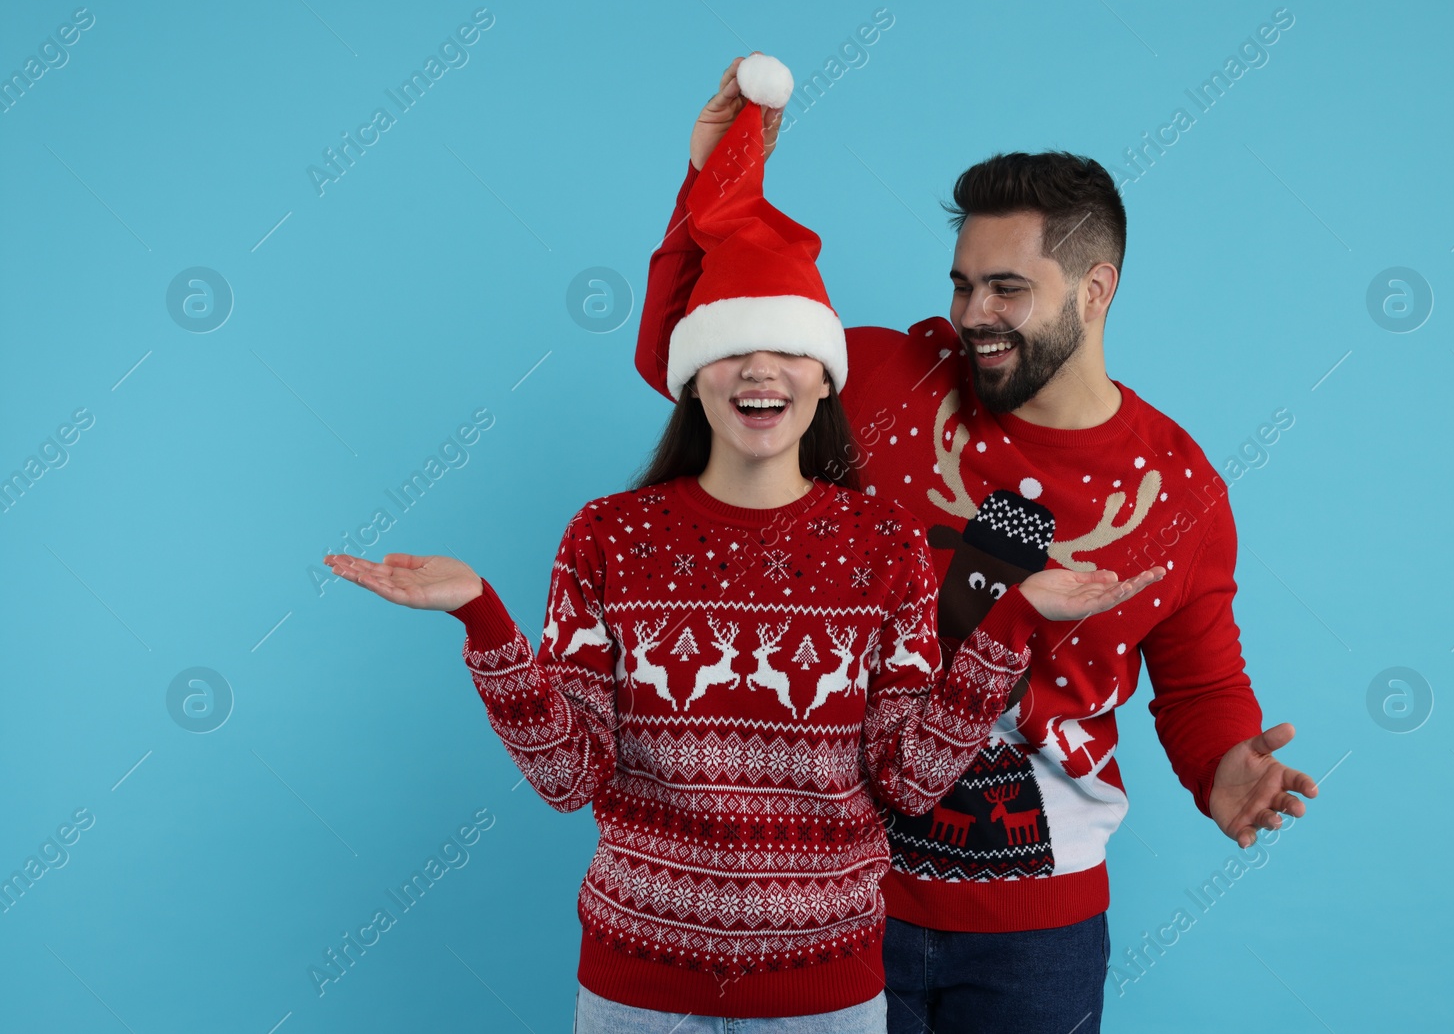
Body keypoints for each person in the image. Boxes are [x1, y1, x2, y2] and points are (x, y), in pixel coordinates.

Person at [325, 55, 1163, 1032]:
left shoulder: (881, 545)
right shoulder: (608, 537)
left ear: (821, 379)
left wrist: (1012, 616)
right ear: (693, 375)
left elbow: (905, 779)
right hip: (637, 991)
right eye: (729, 347)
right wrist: (480, 615)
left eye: (785, 351)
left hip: (826, 994)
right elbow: (568, 779)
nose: (757, 370)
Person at [636, 54, 1319, 1033]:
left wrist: (1224, 766)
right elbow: (691, 353)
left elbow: (1200, 685)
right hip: (830, 891)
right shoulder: (882, 377)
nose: (970, 316)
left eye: (1006, 288)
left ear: (1095, 289)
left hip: (1035, 932)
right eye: (961, 285)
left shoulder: (1179, 489)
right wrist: (711, 181)